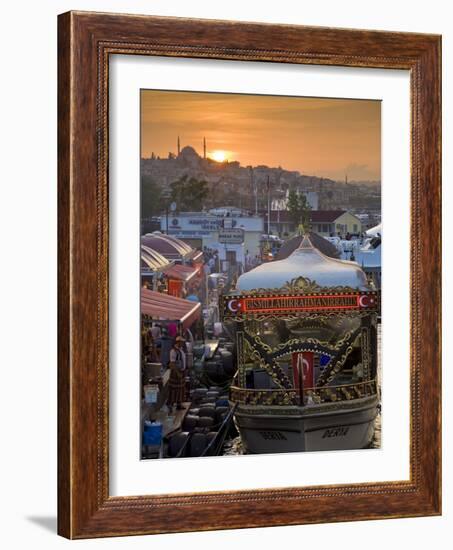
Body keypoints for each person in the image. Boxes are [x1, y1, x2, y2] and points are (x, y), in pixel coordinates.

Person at [167, 336, 187, 412]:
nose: (182, 343)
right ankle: (170, 404)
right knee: (174, 389)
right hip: (176, 372)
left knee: (181, 389)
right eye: (181, 342)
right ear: (178, 342)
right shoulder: (173, 351)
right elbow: (172, 364)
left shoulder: (180, 350)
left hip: (181, 371)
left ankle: (179, 404)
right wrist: (177, 372)